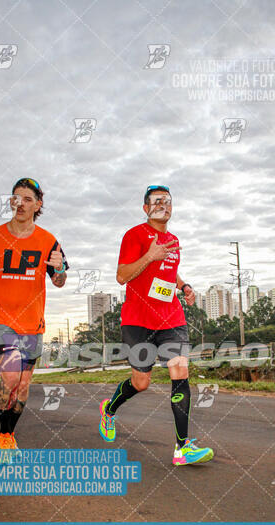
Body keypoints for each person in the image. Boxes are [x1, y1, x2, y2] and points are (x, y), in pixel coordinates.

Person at [99, 185, 214, 465]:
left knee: (180, 370)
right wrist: (149, 255)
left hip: (170, 317)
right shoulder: (134, 235)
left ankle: (182, 448)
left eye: (167, 201)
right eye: (156, 201)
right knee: (141, 382)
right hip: (138, 321)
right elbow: (121, 276)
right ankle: (109, 409)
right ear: (146, 208)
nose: (163, 204)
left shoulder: (173, 239)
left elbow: (168, 274)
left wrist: (183, 285)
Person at [0, 177, 69, 453]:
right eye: (16, 198)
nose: (20, 203)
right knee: (10, 378)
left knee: (23, 387)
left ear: (38, 204)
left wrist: (59, 270)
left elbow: (60, 282)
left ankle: (9, 434)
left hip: (32, 323)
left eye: (27, 199)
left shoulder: (48, 240)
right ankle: (3, 437)